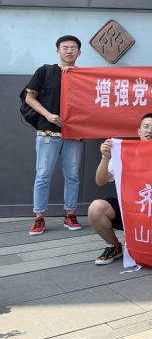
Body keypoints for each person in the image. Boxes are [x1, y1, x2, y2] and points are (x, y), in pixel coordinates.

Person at [88, 113, 152, 265]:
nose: (149, 130)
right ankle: (113, 245)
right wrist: (105, 157)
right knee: (96, 208)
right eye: (146, 126)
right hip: (129, 210)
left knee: (145, 253)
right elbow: (100, 181)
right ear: (138, 131)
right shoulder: (124, 152)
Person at [25, 35, 84, 236]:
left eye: (73, 48)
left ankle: (70, 213)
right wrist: (48, 115)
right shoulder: (45, 71)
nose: (69, 51)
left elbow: (89, 106)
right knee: (43, 175)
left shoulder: (84, 76)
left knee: (73, 176)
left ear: (79, 53)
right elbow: (30, 98)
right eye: (65, 47)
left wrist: (86, 129)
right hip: (48, 131)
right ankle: (39, 216)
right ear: (57, 51)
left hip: (74, 134)